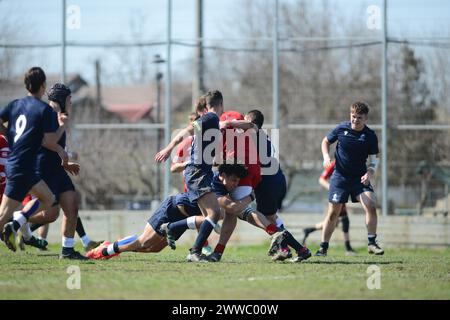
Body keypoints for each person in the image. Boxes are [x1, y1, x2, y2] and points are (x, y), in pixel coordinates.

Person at [85, 164, 248, 260]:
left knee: (153, 248)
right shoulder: (216, 186)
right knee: (144, 242)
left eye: (238, 182)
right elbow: (228, 210)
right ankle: (102, 252)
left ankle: (118, 244)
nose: (235, 184)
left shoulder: (221, 186)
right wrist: (250, 197)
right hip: (172, 208)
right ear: (223, 176)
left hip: (182, 217)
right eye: (234, 180)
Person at [0, 67, 68, 251]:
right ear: (43, 86)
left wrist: (9, 136)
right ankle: (14, 222)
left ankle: (16, 221)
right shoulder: (43, 110)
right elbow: (51, 140)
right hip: (23, 168)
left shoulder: (15, 104)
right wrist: (62, 126)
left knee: (48, 198)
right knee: (3, 216)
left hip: (21, 167)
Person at [155, 90, 224, 262]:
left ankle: (175, 231)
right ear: (220, 104)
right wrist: (168, 148)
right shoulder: (212, 118)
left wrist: (213, 161)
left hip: (202, 171)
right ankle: (193, 251)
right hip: (198, 173)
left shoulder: (212, 121)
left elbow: (201, 145)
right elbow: (188, 130)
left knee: (207, 218)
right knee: (214, 213)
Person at [316, 101, 384, 257]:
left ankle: (372, 243)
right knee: (333, 213)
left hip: (359, 179)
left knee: (371, 205)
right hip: (339, 178)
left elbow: (374, 159)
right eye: (353, 116)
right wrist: (326, 157)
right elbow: (325, 141)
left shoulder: (370, 136)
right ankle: (323, 247)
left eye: (359, 118)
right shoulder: (342, 128)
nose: (355, 120)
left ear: (365, 118)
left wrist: (371, 171)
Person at [245, 109, 311, 262]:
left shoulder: (254, 133)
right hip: (277, 179)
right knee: (271, 218)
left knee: (260, 217)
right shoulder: (261, 136)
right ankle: (290, 249)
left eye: (244, 120)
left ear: (251, 122)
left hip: (268, 182)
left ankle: (293, 248)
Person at [302, 161, 356, 256]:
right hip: (336, 195)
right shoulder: (335, 163)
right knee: (339, 221)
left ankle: (309, 230)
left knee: (336, 222)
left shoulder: (350, 163)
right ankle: (347, 248)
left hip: (342, 193)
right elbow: (322, 179)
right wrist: (332, 188)